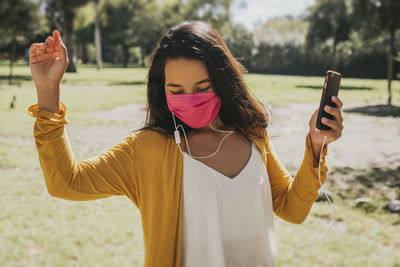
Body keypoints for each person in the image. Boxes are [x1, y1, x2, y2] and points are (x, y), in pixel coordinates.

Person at [27, 21, 344, 267]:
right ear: (161, 89)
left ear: (222, 81)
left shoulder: (252, 133)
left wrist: (316, 146)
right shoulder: (146, 149)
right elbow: (65, 182)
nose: (189, 98)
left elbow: (292, 208)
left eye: (202, 87)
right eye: (175, 90)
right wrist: (48, 92)